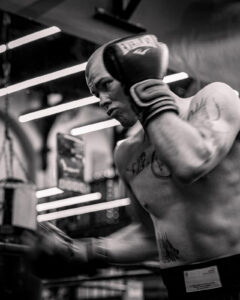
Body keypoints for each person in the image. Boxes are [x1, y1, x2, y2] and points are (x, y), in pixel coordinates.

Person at [24, 33, 240, 300]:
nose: (101, 101)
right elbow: (151, 237)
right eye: (95, 93)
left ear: (135, 71)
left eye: (105, 85)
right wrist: (84, 251)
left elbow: (191, 162)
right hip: (179, 285)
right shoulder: (126, 154)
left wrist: (147, 88)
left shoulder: (211, 99)